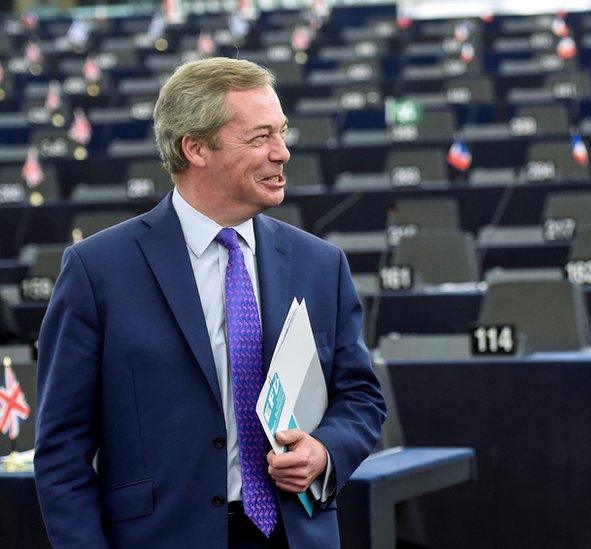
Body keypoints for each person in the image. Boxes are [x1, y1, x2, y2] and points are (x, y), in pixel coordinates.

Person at [34, 57, 386, 547]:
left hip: (295, 534)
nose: (282, 152)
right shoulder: (97, 271)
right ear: (195, 148)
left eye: (282, 133)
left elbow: (362, 397)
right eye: (260, 137)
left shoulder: (320, 264)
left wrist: (325, 450)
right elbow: (60, 452)